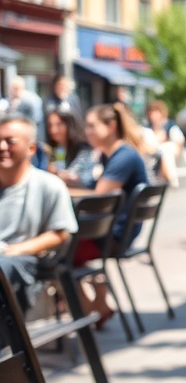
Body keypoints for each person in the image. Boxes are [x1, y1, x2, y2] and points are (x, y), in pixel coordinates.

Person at [72, 104, 150, 323]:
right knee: (61, 250)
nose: (86, 132)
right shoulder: (113, 155)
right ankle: (100, 299)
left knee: (56, 256)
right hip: (112, 234)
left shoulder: (123, 155)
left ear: (111, 126)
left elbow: (98, 195)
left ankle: (88, 314)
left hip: (113, 238)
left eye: (91, 126)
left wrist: (61, 189)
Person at [0, 113, 78, 315]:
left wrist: (18, 249)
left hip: (24, 262)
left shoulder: (48, 185)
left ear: (31, 149)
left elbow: (61, 232)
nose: (2, 147)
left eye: (9, 141)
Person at [46, 108, 97, 188]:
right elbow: (60, 168)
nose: (53, 130)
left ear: (69, 125)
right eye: (50, 125)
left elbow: (84, 177)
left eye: (59, 125)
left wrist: (63, 174)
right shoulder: (58, 149)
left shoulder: (83, 149)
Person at [144, 100, 186, 186]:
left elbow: (179, 141)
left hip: (171, 151)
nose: (154, 116)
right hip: (152, 152)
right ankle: (168, 179)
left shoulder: (170, 125)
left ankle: (169, 179)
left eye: (156, 112)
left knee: (166, 151)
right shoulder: (147, 128)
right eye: (152, 113)